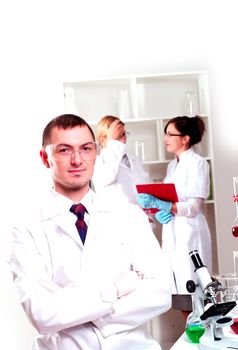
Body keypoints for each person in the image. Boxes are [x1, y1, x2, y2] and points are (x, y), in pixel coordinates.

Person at [7, 113, 172, 350]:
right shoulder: (26, 228)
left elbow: (160, 292)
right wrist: (116, 288)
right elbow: (42, 314)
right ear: (45, 158)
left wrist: (79, 312)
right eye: (64, 150)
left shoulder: (128, 215)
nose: (77, 160)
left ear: (95, 152)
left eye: (86, 148)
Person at [137, 116, 212, 318]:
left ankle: (200, 339)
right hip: (173, 230)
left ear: (185, 138)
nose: (165, 139)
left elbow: (195, 206)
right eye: (165, 134)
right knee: (179, 293)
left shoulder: (198, 164)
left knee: (194, 291)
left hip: (190, 232)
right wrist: (159, 207)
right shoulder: (172, 166)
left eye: (170, 134)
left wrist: (168, 206)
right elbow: (171, 196)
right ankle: (191, 338)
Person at [92, 115, 149, 204]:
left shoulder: (135, 159)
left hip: (140, 215)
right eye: (117, 135)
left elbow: (145, 189)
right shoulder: (97, 162)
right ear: (102, 139)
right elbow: (108, 177)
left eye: (123, 134)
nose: (123, 139)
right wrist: (113, 142)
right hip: (117, 216)